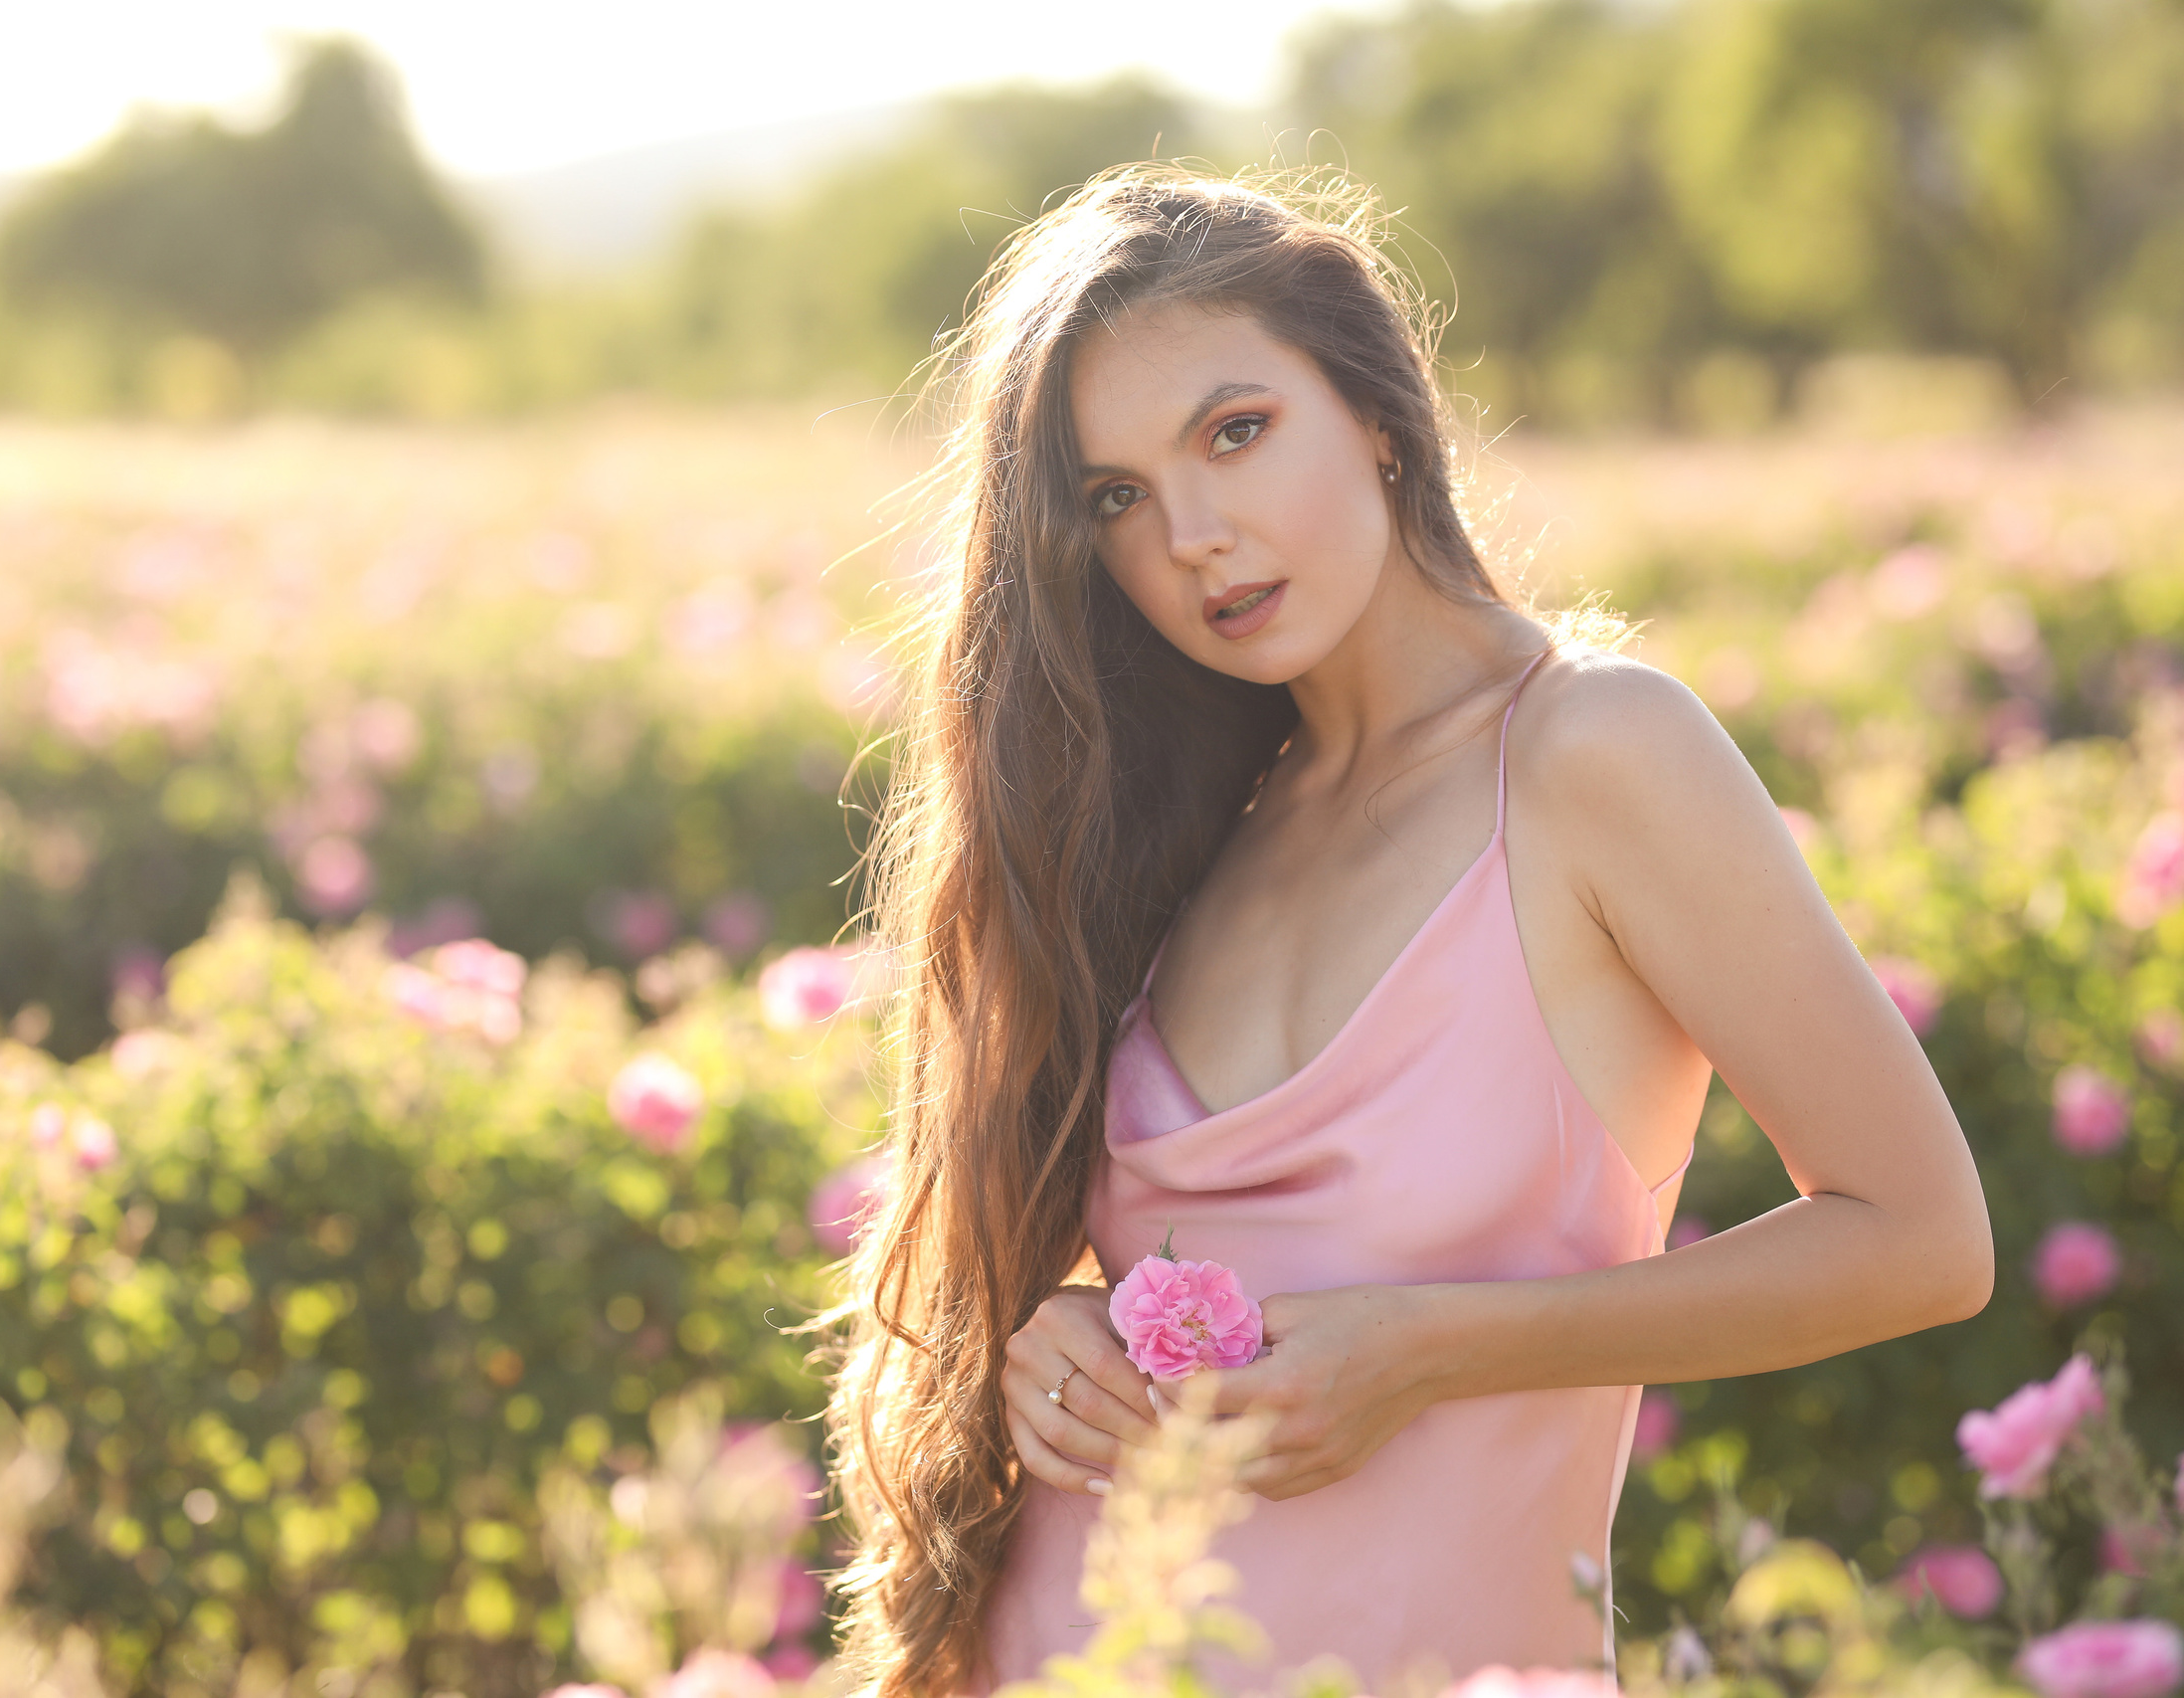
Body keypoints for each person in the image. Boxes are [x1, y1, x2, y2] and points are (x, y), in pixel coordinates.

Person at [820, 165, 1994, 1698]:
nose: (1193, 535)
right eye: (1116, 498)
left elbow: (1922, 1240)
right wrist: (1048, 1327)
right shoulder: (1193, 821)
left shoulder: (1594, 756)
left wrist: (1432, 1349)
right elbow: (1135, 1248)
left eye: (1235, 432)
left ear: (1375, 408)